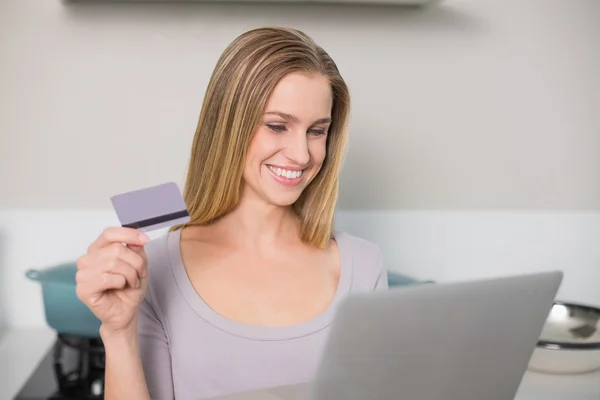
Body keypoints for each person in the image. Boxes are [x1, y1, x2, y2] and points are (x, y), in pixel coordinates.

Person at [75, 26, 388, 400]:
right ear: (228, 126)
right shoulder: (155, 269)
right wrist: (118, 331)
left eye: (317, 131)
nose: (302, 155)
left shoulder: (365, 268)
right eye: (277, 126)